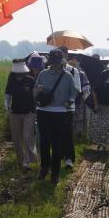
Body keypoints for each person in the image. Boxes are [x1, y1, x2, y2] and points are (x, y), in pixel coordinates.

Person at [34, 49, 75, 184]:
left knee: (57, 143)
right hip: (43, 111)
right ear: (50, 62)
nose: (55, 65)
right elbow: (35, 92)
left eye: (57, 62)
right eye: (53, 62)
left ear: (61, 62)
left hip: (60, 112)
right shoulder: (43, 74)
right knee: (44, 142)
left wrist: (69, 102)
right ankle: (44, 168)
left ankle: (55, 173)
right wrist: (38, 92)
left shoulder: (68, 76)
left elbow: (72, 94)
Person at [4, 59, 38, 170]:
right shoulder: (11, 80)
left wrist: (38, 92)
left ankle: (27, 160)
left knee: (27, 136)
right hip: (15, 112)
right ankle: (21, 158)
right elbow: (8, 94)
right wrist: (6, 104)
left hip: (29, 112)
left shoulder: (30, 80)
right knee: (16, 138)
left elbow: (35, 95)